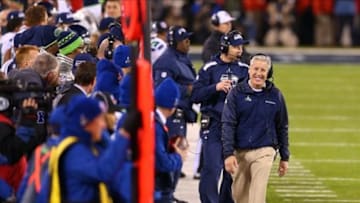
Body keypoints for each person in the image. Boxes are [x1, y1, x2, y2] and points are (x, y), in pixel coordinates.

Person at [222, 54, 290, 203]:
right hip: (239, 152)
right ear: (249, 70)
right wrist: (228, 153)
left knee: (257, 195)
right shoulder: (236, 93)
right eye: (256, 69)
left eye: (263, 70)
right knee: (240, 197)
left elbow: (282, 126)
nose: (259, 73)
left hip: (264, 151)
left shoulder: (275, 95)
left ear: (268, 73)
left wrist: (284, 156)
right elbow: (228, 124)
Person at [192, 30, 249, 203]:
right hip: (214, 124)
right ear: (225, 46)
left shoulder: (245, 69)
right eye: (236, 46)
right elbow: (195, 95)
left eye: (241, 47)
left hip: (236, 126)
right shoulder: (210, 68)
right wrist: (215, 87)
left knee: (232, 170)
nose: (240, 50)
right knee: (211, 168)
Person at [41, 95, 130, 202]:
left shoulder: (88, 145)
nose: (103, 125)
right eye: (100, 119)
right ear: (86, 122)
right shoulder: (74, 152)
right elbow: (104, 171)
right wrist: (123, 135)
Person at [153, 26, 197, 187]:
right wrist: (188, 89)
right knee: (172, 154)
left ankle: (170, 192)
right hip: (172, 115)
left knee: (178, 155)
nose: (188, 42)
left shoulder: (181, 57)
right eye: (185, 40)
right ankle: (167, 193)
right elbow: (161, 88)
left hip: (181, 113)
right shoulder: (166, 61)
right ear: (176, 42)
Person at [154, 78, 188, 203]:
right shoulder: (156, 126)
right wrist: (178, 157)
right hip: (157, 191)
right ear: (173, 106)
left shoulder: (154, 121)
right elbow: (161, 163)